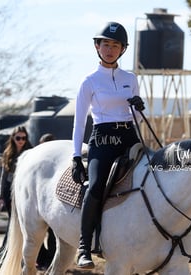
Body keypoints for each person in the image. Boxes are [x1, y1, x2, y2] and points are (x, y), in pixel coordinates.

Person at [71, 22, 145, 269]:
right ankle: (84, 246)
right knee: (95, 187)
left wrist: (139, 106)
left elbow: (136, 115)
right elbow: (79, 122)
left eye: (115, 45)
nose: (110, 49)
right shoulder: (89, 81)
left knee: (153, 175)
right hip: (102, 139)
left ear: (122, 49)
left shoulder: (130, 79)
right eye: (106, 44)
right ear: (97, 47)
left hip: (129, 136)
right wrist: (74, 156)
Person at [0, 126, 32, 261]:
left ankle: (31, 255)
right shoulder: (8, 154)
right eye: (18, 138)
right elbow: (3, 177)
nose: (21, 141)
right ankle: (4, 254)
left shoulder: (30, 152)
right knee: (13, 222)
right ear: (13, 138)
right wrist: (0, 197)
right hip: (10, 192)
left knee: (25, 223)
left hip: (24, 191)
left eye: (24, 138)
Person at [35, 133, 56, 270]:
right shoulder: (36, 160)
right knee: (36, 233)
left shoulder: (56, 161)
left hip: (51, 202)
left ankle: (50, 260)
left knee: (54, 235)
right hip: (40, 201)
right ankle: (42, 258)